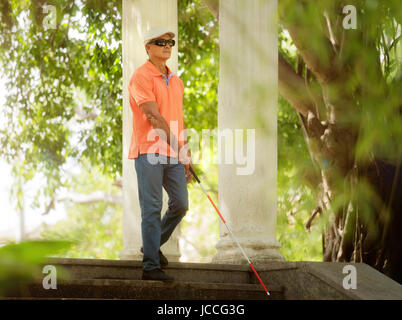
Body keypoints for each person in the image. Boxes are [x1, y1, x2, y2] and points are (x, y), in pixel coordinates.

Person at [128, 27, 194, 281]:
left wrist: (185, 152)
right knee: (152, 208)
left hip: (174, 153)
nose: (167, 46)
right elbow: (154, 117)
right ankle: (151, 267)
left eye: (170, 42)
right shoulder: (140, 77)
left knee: (181, 204)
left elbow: (178, 118)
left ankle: (152, 245)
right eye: (160, 42)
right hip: (149, 152)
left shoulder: (175, 80)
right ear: (148, 47)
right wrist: (179, 149)